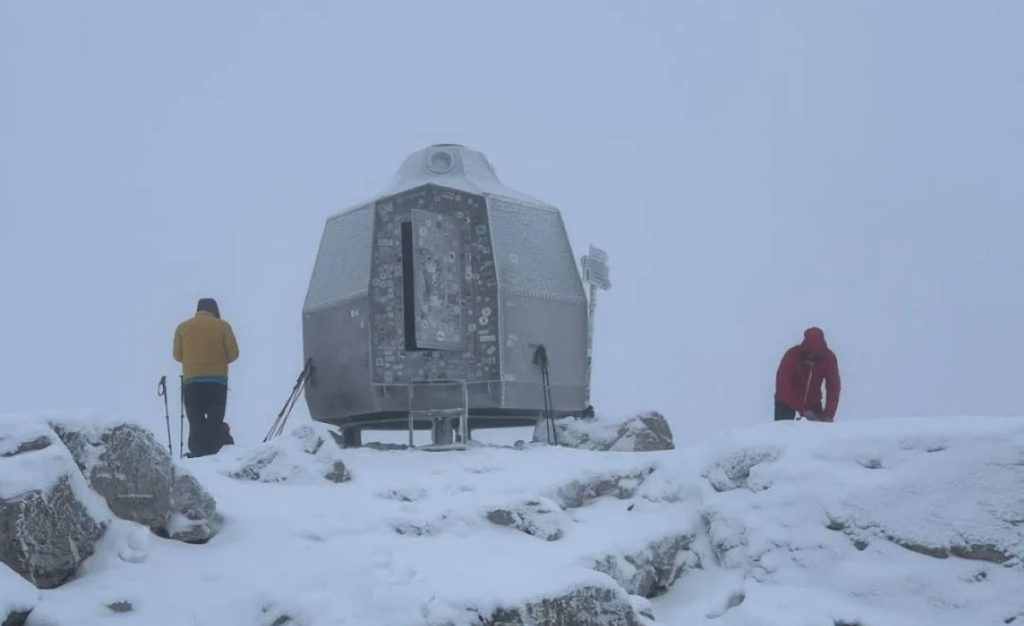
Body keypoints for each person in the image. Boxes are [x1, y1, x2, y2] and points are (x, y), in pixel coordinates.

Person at [173, 298, 239, 456]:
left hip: (191, 382)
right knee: (215, 419)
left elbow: (177, 355)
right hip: (217, 382)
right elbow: (234, 354)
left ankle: (198, 452)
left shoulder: (182, 328)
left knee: (195, 419)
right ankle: (214, 451)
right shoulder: (223, 326)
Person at [775, 327, 840, 422]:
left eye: (816, 359)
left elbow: (833, 386)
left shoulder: (829, 359)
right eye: (810, 356)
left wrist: (829, 414)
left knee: (818, 434)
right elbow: (783, 386)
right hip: (786, 400)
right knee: (783, 433)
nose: (812, 361)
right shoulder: (792, 355)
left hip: (813, 402)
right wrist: (803, 409)